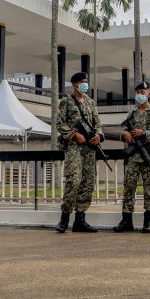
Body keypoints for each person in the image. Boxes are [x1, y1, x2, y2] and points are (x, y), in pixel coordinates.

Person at [55, 71, 103, 233]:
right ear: (74, 84)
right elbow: (59, 124)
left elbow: (97, 123)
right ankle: (64, 218)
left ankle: (80, 219)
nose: (85, 84)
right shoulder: (66, 101)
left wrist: (98, 135)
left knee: (87, 182)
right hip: (74, 147)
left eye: (86, 81)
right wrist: (75, 135)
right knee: (73, 180)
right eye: (82, 81)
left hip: (89, 147)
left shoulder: (90, 102)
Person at [113, 81, 150, 233]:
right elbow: (123, 130)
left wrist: (144, 133)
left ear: (149, 94)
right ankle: (126, 220)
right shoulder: (132, 114)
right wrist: (125, 134)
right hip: (133, 157)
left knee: (149, 189)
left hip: (149, 155)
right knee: (129, 188)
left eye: (143, 92)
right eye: (138, 92)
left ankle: (148, 221)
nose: (140, 95)